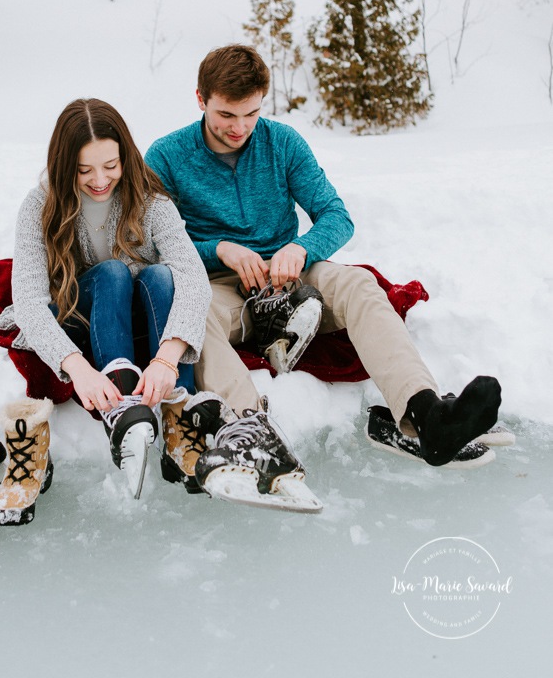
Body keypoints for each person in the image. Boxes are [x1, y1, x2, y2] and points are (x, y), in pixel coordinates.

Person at [145, 44, 503, 470]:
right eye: (226, 115)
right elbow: (149, 245)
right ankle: (252, 433)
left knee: (358, 283)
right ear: (201, 99)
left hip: (292, 279)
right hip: (220, 287)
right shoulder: (166, 156)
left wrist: (301, 248)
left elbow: (337, 216)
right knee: (193, 316)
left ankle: (426, 416)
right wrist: (216, 249)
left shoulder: (282, 142)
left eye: (252, 114)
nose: (241, 127)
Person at [0, 97, 212, 522]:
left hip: (144, 324)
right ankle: (121, 406)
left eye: (110, 165)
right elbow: (31, 302)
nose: (99, 180)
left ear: (124, 155)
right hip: (80, 313)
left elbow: (193, 276)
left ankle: (179, 416)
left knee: (162, 277)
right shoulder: (39, 207)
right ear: (63, 165)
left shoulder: (151, 201)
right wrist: (78, 368)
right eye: (84, 169)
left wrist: (167, 357)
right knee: (110, 272)